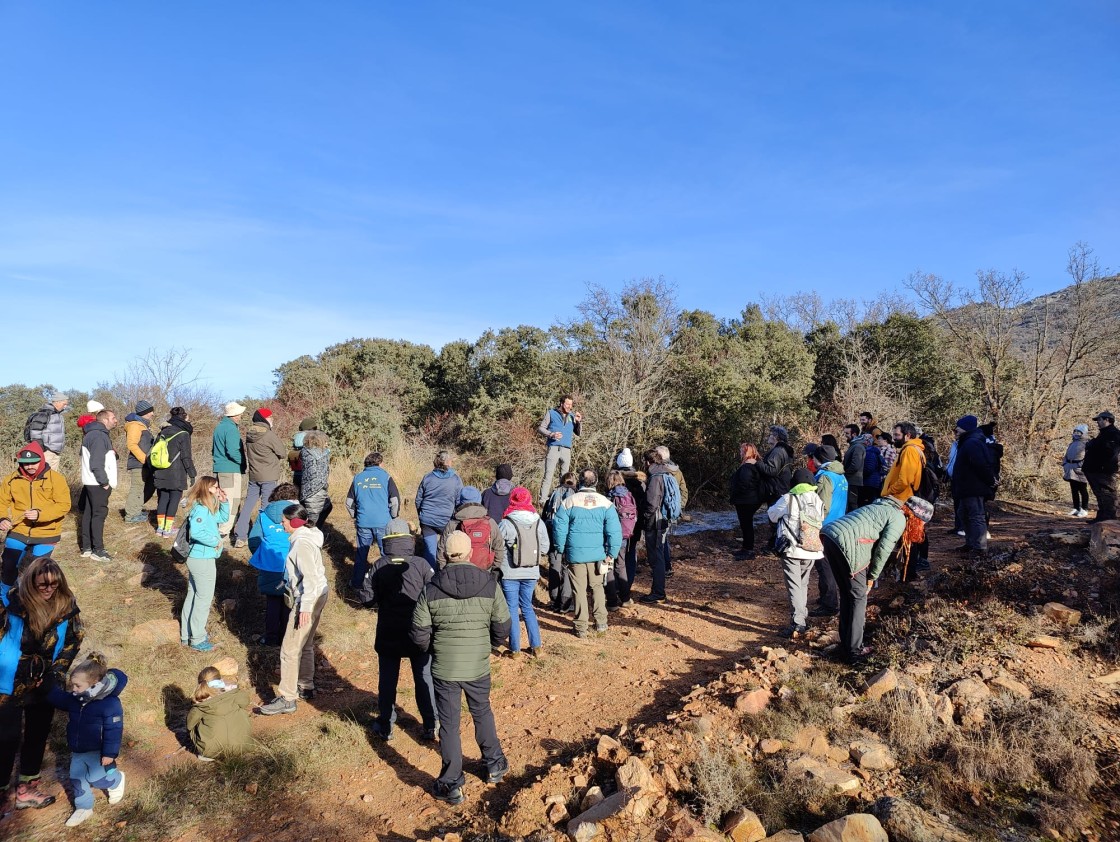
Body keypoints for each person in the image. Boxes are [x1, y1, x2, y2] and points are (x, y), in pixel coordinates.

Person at [410, 531, 511, 805]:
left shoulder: (430, 588)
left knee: (450, 725)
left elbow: (419, 632)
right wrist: (487, 645)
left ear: (444, 554)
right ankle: (494, 764)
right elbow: (503, 626)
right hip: (477, 664)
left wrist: (433, 648)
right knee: (481, 711)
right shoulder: (490, 584)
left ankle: (452, 782)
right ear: (470, 553)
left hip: (444, 668)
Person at [0, 557, 83, 811]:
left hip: (45, 681)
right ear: (31, 583)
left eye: (53, 585)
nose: (48, 590)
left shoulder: (66, 604)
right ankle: (1, 790)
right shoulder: (13, 603)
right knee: (5, 737)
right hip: (8, 680)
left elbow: (73, 640)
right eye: (42, 585)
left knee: (37, 735)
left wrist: (57, 673)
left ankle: (26, 788)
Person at [822, 495, 931, 663]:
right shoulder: (899, 518)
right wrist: (872, 577)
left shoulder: (884, 507)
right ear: (916, 517)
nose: (922, 528)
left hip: (830, 536)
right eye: (922, 523)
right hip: (849, 544)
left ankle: (846, 645)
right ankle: (855, 651)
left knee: (848, 594)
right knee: (859, 598)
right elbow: (884, 549)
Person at [363, 518, 438, 742]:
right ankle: (430, 724)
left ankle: (386, 724)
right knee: (424, 678)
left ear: (386, 539)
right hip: (419, 631)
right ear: (409, 539)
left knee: (387, 680)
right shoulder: (422, 565)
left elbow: (366, 599)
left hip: (388, 631)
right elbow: (434, 595)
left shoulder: (378, 565)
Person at [258, 505, 329, 715]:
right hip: (319, 594)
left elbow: (310, 578)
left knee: (289, 649)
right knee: (306, 643)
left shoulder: (301, 545)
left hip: (309, 597)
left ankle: (287, 697)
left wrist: (304, 607)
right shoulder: (309, 537)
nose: (282, 524)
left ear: (295, 522)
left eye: (284, 521)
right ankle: (306, 685)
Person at [47, 652, 127, 826]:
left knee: (97, 779)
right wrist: (44, 686)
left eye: (77, 685)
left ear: (94, 684)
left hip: (98, 751)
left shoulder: (109, 703)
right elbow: (59, 698)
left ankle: (116, 780)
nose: (73, 689)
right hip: (77, 749)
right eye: (72, 685)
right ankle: (83, 808)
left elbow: (114, 730)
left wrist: (110, 753)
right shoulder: (77, 698)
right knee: (77, 779)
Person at [0, 442, 72, 584]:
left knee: (40, 573)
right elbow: (2, 501)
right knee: (8, 567)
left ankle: (33, 601)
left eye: (34, 462)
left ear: (42, 460)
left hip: (47, 533)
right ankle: (5, 601)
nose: (30, 467)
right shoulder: (11, 479)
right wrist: (2, 518)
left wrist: (40, 515)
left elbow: (64, 505)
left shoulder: (56, 479)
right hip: (18, 530)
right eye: (26, 463)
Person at [768, 467, 826, 639]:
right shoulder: (817, 499)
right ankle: (802, 615)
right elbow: (822, 518)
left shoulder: (788, 499)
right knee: (802, 584)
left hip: (792, 549)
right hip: (812, 548)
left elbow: (771, 515)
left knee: (794, 586)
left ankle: (798, 622)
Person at [180, 477, 231, 652]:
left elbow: (223, 518)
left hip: (199, 558)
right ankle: (198, 639)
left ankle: (187, 635)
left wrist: (224, 502)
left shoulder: (206, 508)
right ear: (206, 489)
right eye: (215, 487)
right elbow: (196, 532)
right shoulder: (201, 509)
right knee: (203, 600)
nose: (218, 490)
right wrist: (214, 542)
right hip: (202, 559)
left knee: (193, 596)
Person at [497, 486, 549, 655]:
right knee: (527, 606)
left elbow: (497, 547)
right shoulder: (538, 522)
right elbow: (546, 548)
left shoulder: (506, 522)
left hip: (510, 573)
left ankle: (515, 650)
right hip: (531, 572)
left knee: (512, 608)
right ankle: (536, 646)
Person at [248, 483, 300, 646]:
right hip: (292, 564)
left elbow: (254, 540)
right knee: (288, 602)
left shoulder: (264, 515)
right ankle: (285, 637)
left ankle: (271, 638)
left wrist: (262, 557)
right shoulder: (298, 514)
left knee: (272, 601)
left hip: (270, 565)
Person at [345, 453, 401, 589]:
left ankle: (357, 583)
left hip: (363, 522)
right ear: (380, 463)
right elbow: (394, 501)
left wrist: (356, 516)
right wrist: (393, 516)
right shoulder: (386, 477)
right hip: (383, 522)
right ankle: (387, 584)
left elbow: (348, 502)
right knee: (386, 554)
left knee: (361, 555)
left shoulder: (357, 478)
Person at [233, 409, 287, 548]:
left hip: (254, 475)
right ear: (264, 419)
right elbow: (282, 453)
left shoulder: (249, 434)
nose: (272, 419)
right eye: (270, 417)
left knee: (248, 505)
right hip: (269, 475)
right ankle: (262, 535)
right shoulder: (268, 435)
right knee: (266, 507)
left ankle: (241, 536)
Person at [809, 446, 847, 618]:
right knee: (829, 563)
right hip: (839, 523)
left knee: (824, 565)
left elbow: (822, 505)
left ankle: (830, 603)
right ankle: (826, 597)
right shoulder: (841, 475)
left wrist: (813, 523)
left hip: (825, 525)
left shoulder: (824, 477)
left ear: (819, 459)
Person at [951, 415, 997, 557]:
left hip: (973, 487)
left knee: (976, 516)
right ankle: (970, 543)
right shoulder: (968, 441)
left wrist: (990, 480)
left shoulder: (972, 443)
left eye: (957, 428)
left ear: (965, 428)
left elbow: (981, 465)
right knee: (963, 514)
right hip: (966, 487)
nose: (955, 431)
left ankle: (980, 548)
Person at [186, 666, 251, 761]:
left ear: (201, 684)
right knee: (240, 710)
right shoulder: (235, 693)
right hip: (243, 746)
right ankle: (239, 740)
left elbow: (189, 726)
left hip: (211, 753)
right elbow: (245, 702)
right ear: (220, 679)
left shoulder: (200, 705)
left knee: (194, 722)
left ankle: (207, 749)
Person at [79, 408, 119, 562]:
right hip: (97, 483)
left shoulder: (92, 434)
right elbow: (96, 463)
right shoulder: (98, 436)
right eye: (113, 417)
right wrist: (104, 482)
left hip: (91, 482)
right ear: (104, 420)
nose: (115, 420)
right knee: (98, 515)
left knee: (89, 513)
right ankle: (98, 550)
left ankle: (87, 548)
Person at [152, 407, 196, 538]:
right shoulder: (183, 434)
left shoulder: (163, 432)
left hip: (160, 470)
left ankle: (160, 528)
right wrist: (192, 473)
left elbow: (154, 451)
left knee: (163, 498)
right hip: (177, 473)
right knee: (174, 499)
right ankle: (168, 529)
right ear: (183, 418)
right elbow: (186, 456)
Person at [415, 451, 464, 570]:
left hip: (428, 520)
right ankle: (445, 574)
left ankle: (429, 578)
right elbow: (459, 502)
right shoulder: (456, 479)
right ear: (448, 462)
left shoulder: (427, 477)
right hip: (447, 521)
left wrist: (421, 515)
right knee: (448, 549)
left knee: (429, 551)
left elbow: (418, 500)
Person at [437, 487, 504, 570]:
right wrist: (494, 571)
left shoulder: (453, 524)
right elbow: (499, 549)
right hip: (484, 572)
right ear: (479, 500)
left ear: (461, 502)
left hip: (457, 572)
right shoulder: (490, 522)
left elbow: (442, 550)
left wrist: (444, 571)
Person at [639, 450, 673, 604]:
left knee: (656, 557)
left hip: (655, 521)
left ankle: (658, 592)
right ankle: (658, 591)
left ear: (648, 462)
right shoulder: (666, 472)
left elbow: (651, 503)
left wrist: (645, 519)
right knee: (659, 554)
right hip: (664, 519)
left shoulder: (655, 477)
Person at [543, 472, 578, 612]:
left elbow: (545, 516)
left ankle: (554, 599)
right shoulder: (576, 496)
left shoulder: (553, 494)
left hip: (553, 535)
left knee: (555, 566)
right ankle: (566, 601)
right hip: (570, 536)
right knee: (568, 568)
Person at [538, 395, 582, 503]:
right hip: (553, 447)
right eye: (567, 404)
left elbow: (578, 433)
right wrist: (551, 434)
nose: (569, 407)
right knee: (548, 475)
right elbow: (541, 428)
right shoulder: (551, 413)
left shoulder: (572, 416)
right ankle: (542, 501)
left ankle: (563, 501)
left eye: (571, 405)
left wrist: (579, 422)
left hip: (567, 450)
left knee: (565, 478)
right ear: (562, 403)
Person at [212, 402, 247, 540]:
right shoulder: (231, 429)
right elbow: (233, 451)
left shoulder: (220, 427)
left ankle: (222, 531)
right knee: (231, 501)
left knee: (221, 501)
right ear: (234, 415)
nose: (241, 416)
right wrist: (243, 463)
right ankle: (223, 533)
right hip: (230, 470)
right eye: (239, 413)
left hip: (220, 469)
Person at [757, 425, 795, 553]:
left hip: (776, 489)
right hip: (782, 488)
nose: (768, 437)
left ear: (776, 437)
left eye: (770, 434)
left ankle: (776, 546)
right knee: (779, 518)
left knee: (775, 518)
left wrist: (757, 462)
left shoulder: (778, 451)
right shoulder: (785, 451)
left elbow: (771, 470)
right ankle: (775, 544)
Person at [614, 450, 647, 588]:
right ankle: (628, 584)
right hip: (636, 524)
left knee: (617, 555)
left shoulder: (616, 479)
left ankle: (616, 586)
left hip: (618, 525)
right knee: (631, 552)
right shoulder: (641, 481)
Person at [604, 471, 637, 606]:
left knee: (608, 566)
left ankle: (611, 601)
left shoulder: (610, 497)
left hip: (610, 535)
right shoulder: (628, 494)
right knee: (621, 565)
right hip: (624, 535)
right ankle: (625, 598)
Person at [1083, 411, 1120, 523]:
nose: (1097, 422)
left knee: (1107, 493)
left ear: (1107, 420)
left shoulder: (1114, 433)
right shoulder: (1104, 434)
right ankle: (1102, 517)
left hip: (1104, 470)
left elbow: (1110, 452)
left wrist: (1093, 445)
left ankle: (1109, 518)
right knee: (1099, 493)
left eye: (1099, 420)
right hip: (1094, 469)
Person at [123, 400, 156, 523]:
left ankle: (136, 510)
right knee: (137, 488)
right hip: (138, 463)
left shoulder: (144, 425)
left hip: (146, 464)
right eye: (150, 411)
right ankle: (131, 516)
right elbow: (131, 444)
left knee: (149, 487)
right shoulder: (135, 425)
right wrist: (144, 459)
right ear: (144, 412)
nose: (152, 414)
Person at [655, 446, 687, 574]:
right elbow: (684, 490)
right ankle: (666, 566)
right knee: (664, 538)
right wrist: (679, 507)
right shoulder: (677, 471)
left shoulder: (658, 471)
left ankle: (663, 568)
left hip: (660, 510)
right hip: (672, 510)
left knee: (660, 540)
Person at [729, 443, 763, 560]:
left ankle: (748, 550)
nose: (740, 453)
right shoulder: (756, 465)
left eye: (741, 451)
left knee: (746, 525)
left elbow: (745, 484)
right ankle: (746, 548)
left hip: (745, 500)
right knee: (746, 524)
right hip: (749, 499)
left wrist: (737, 493)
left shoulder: (747, 467)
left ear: (745, 452)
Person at [24, 392, 69, 472]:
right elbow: (35, 432)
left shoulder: (57, 415)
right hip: (47, 451)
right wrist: (42, 448)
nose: (65, 406)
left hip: (56, 452)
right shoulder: (44, 414)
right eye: (64, 404)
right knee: (43, 474)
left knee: (53, 476)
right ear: (57, 402)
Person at [880, 422, 925, 503]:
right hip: (898, 497)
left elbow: (905, 480)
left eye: (897, 435)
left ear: (908, 435)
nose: (894, 438)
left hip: (899, 499)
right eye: (893, 435)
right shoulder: (910, 449)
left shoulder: (909, 450)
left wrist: (889, 492)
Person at [298, 430, 333, 527]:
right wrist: (324, 485)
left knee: (326, 507)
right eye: (325, 441)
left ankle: (315, 529)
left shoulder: (305, 452)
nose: (327, 443)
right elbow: (322, 473)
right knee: (313, 518)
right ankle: (313, 533)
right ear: (319, 441)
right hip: (316, 490)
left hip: (306, 489)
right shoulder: (321, 455)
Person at [1063, 424, 1091, 517]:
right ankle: (1076, 508)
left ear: (1083, 433)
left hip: (1080, 470)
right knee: (1074, 489)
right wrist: (1065, 464)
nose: (1076, 434)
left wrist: (1080, 465)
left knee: (1083, 489)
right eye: (1075, 432)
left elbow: (1088, 458)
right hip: (1070, 468)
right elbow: (1066, 456)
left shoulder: (1087, 444)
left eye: (1079, 432)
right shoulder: (1072, 443)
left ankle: (1084, 509)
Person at [288, 417, 319, 495]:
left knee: (298, 494)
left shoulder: (296, 438)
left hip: (297, 472)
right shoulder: (310, 438)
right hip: (308, 473)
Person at [841, 424, 866, 512]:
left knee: (852, 503)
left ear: (854, 434)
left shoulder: (858, 447)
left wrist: (844, 473)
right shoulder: (853, 446)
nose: (845, 436)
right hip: (851, 479)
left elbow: (855, 465)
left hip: (853, 480)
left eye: (847, 433)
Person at [859, 433, 884, 506]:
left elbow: (869, 468)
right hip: (874, 482)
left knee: (867, 505)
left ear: (867, 442)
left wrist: (861, 474)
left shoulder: (870, 452)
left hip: (869, 483)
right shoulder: (874, 452)